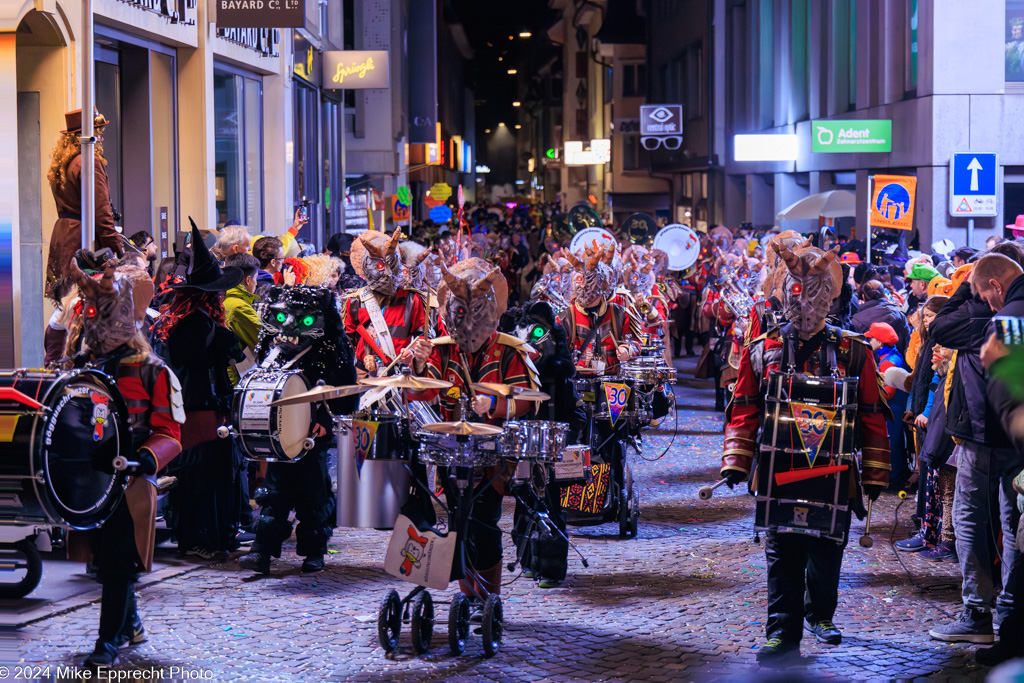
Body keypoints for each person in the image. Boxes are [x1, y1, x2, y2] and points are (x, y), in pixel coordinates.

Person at [721, 243, 890, 664]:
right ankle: (782, 633)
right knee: (782, 551)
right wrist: (736, 461)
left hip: (835, 472)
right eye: (799, 290)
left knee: (828, 547)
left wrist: (874, 472)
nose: (806, 301)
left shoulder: (854, 350)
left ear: (829, 295)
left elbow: (871, 412)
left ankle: (822, 616)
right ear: (785, 291)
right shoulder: (762, 347)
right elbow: (744, 406)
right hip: (779, 469)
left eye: (815, 291)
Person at [63, 258, 183, 669]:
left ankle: (107, 641)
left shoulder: (152, 370)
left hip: (129, 480)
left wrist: (141, 460)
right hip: (87, 481)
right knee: (104, 561)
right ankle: (128, 623)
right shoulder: (79, 368)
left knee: (116, 560)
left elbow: (169, 433)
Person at [406, 258, 537, 597]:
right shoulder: (442, 351)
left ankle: (486, 597)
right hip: (451, 454)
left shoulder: (509, 350)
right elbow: (423, 390)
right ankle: (468, 595)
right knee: (457, 524)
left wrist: (493, 405)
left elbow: (528, 398)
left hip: (493, 457)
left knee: (482, 523)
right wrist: (419, 361)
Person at [928, 253, 1022, 644]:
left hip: (985, 434)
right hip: (1014, 443)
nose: (986, 301)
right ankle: (1012, 610)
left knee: (968, 517)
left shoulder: (1001, 316)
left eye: (986, 294)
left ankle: (977, 613)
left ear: (996, 286)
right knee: (1012, 521)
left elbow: (939, 327)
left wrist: (965, 286)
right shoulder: (1014, 309)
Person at [237, 284, 357, 574]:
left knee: (313, 495)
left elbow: (347, 397)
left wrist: (323, 417)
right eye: (282, 318)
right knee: (274, 493)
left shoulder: (331, 351)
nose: (289, 327)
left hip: (312, 436)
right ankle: (262, 552)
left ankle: (314, 552)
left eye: (303, 320)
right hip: (279, 434)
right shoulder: (271, 350)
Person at [156, 219, 247, 559]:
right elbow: (232, 358)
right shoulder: (204, 324)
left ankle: (197, 535)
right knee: (210, 473)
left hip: (186, 407)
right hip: (205, 407)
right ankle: (209, 536)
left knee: (194, 473)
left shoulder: (174, 321)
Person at [46, 108, 123, 302]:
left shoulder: (64, 163)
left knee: (65, 302)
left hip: (63, 235)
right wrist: (117, 248)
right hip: (82, 239)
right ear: (85, 136)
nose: (101, 139)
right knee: (84, 302)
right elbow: (101, 211)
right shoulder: (89, 162)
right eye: (98, 134)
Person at [341, 229, 427, 383]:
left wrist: (412, 352)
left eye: (392, 264)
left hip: (399, 374)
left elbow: (423, 336)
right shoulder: (355, 300)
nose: (387, 273)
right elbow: (347, 340)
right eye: (380, 265)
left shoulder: (412, 299)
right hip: (363, 374)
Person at [866, 322, 912, 490]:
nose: (869, 341)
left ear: (879, 342)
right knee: (896, 443)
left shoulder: (888, 362)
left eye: (871, 338)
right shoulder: (893, 355)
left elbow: (888, 393)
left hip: (892, 408)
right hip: (896, 408)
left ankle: (892, 479)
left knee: (891, 444)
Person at [223, 253, 262, 384]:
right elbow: (263, 339)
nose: (256, 284)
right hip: (236, 380)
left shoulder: (227, 300)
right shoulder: (239, 307)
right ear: (248, 280)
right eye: (256, 279)